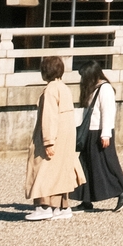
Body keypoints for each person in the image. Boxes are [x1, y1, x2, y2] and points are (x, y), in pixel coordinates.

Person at [25, 56, 87, 220]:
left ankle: (44, 206)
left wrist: (48, 141)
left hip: (54, 136)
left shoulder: (51, 90)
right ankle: (62, 207)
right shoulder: (64, 88)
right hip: (66, 136)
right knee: (61, 171)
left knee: (44, 170)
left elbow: (49, 117)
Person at [75, 61, 123, 212]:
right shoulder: (93, 89)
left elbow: (108, 112)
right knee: (87, 165)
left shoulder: (105, 88)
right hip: (91, 131)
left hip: (100, 131)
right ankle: (86, 200)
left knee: (108, 164)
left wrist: (106, 134)